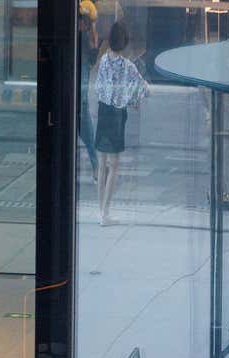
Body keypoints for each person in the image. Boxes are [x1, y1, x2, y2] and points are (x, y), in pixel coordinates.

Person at [91, 21, 149, 225]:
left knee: (102, 165)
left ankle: (100, 211)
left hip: (103, 111)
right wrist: (131, 101)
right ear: (124, 42)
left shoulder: (104, 60)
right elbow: (144, 88)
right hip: (116, 115)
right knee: (114, 166)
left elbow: (98, 86)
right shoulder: (128, 66)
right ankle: (105, 213)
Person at [78, 1, 100, 176]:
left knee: (85, 125)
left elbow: (92, 56)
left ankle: (95, 166)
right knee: (87, 131)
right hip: (80, 97)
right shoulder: (87, 33)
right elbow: (92, 57)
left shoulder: (84, 35)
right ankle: (95, 166)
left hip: (79, 98)